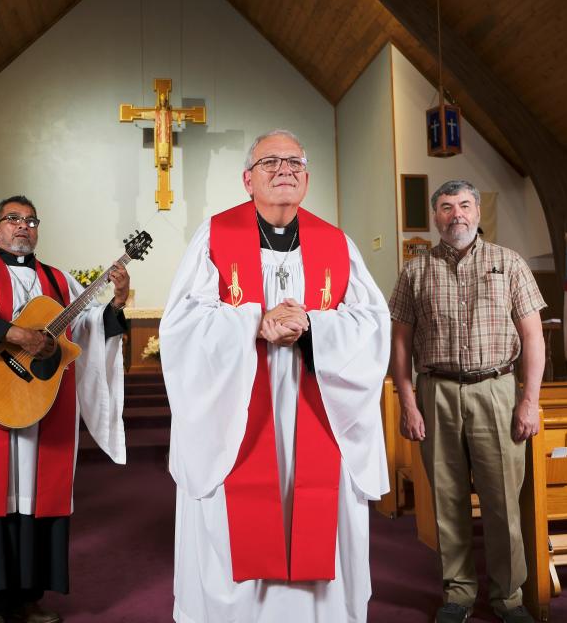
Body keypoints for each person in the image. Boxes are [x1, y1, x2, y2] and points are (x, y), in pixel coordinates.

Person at [160, 129, 391, 622]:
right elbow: (181, 324)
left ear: (306, 178)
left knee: (317, 509)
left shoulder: (336, 243)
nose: (284, 169)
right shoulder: (213, 237)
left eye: (294, 162)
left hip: (318, 402)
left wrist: (313, 327)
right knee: (238, 510)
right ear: (248, 179)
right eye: (270, 162)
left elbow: (373, 324)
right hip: (238, 410)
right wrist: (252, 322)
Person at [0, 195, 130, 623]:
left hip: (44, 403)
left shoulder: (59, 280)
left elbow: (91, 327)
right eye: (13, 219)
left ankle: (29, 599)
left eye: (30, 220)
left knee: (38, 504)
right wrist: (17, 335)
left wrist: (116, 302)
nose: (23, 226)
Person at [388, 179, 546, 623]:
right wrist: (407, 401)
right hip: (435, 390)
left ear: (477, 212)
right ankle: (457, 593)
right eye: (445, 206)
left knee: (501, 502)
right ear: (435, 216)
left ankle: (508, 598)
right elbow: (400, 343)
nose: (455, 213)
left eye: (463, 205)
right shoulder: (415, 271)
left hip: (496, 390)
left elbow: (533, 336)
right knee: (447, 499)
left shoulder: (509, 263)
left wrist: (528, 401)